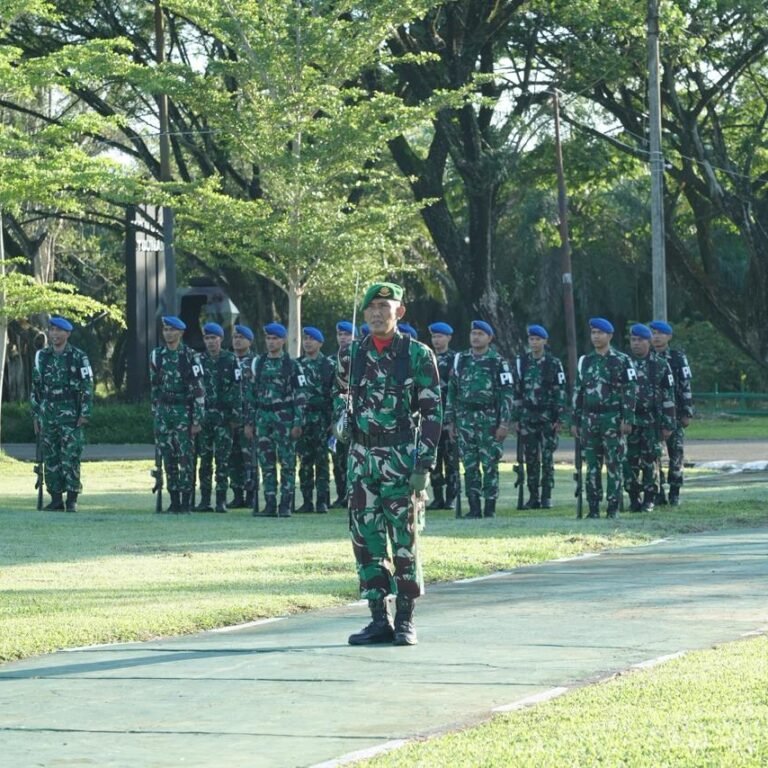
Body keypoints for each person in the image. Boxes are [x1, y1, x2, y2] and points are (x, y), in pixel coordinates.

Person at [334, 282, 441, 646]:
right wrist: (340, 419)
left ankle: (406, 618)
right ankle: (379, 617)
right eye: (372, 308)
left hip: (400, 459)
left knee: (405, 540)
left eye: (385, 307)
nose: (377, 313)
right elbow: (340, 395)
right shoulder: (351, 354)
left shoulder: (417, 354)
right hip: (361, 460)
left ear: (400, 312)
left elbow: (432, 413)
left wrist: (423, 466)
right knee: (366, 540)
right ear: (364, 313)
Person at [445, 320, 514, 519]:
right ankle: (474, 506)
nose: (475, 337)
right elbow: (452, 391)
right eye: (473, 333)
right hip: (465, 419)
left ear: (489, 338)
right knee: (469, 465)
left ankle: (490, 507)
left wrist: (504, 423)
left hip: (489, 419)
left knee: (490, 464)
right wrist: (451, 421)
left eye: (480, 334)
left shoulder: (498, 362)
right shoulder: (461, 359)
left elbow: (506, 394)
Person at [571, 318, 638, 519]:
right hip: (589, 419)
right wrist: (575, 420)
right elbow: (578, 392)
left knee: (614, 464)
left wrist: (628, 418)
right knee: (592, 465)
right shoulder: (585, 361)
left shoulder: (622, 360)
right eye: (593, 333)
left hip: (612, 418)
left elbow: (630, 391)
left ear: (609, 336)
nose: (596, 337)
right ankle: (593, 507)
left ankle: (613, 506)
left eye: (600, 333)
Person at [31, 316, 93, 512]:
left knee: (71, 455)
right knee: (51, 456)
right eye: (52, 330)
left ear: (68, 333)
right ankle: (56, 499)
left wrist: (85, 413)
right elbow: (36, 388)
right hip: (47, 413)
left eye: (59, 331)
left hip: (71, 413)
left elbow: (87, 385)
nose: (55, 334)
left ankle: (72, 499)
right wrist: (35, 415)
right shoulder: (42, 356)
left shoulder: (78, 356)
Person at [244, 322, 304, 517]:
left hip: (284, 419)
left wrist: (298, 422)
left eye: (275, 338)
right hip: (263, 418)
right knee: (266, 463)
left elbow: (300, 396)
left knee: (287, 463)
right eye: (268, 338)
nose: (271, 342)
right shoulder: (258, 363)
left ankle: (285, 504)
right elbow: (251, 395)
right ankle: (270, 503)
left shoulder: (292, 365)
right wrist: (249, 422)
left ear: (283, 340)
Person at [150, 316, 205, 513]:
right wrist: (156, 412)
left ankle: (185, 501)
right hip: (164, 413)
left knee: (185, 458)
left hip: (184, 412)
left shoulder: (190, 356)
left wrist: (197, 419)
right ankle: (173, 499)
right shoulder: (157, 355)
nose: (168, 333)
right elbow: (155, 387)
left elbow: (198, 389)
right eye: (165, 329)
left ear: (180, 333)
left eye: (172, 330)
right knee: (168, 457)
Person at [511, 324, 567, 509]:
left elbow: (560, 391)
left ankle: (547, 495)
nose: (534, 343)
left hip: (547, 417)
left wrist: (559, 418)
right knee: (530, 458)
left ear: (545, 341)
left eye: (537, 339)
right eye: (531, 339)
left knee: (547, 458)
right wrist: (516, 418)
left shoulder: (553, 363)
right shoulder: (522, 362)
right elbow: (517, 392)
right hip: (527, 417)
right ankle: (533, 496)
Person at [625, 324, 676, 513]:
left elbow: (669, 396)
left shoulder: (660, 365)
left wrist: (668, 424)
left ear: (648, 342)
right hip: (629, 421)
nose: (636, 344)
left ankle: (649, 498)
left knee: (650, 460)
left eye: (640, 340)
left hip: (651, 421)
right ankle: (633, 497)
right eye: (633, 340)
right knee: (629, 460)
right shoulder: (623, 363)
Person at [195, 322, 242, 513]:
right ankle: (205, 499)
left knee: (223, 461)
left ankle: (221, 499)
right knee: (204, 460)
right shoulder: (199, 360)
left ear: (220, 339)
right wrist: (196, 416)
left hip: (224, 418)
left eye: (213, 338)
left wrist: (235, 416)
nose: (210, 342)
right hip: (205, 416)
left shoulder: (231, 359)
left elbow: (237, 389)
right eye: (207, 338)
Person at [649, 320, 694, 506]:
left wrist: (687, 412)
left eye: (660, 334)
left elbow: (685, 385)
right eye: (653, 333)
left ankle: (675, 491)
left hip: (674, 413)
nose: (656, 337)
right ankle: (658, 492)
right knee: (653, 455)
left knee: (676, 454)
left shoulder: (677, 357)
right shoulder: (647, 357)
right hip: (652, 415)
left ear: (669, 337)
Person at [296, 326, 335, 513]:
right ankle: (306, 500)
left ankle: (322, 501)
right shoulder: (296, 365)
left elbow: (336, 394)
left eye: (312, 339)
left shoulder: (328, 365)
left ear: (320, 343)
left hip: (322, 419)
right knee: (304, 461)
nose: (307, 342)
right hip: (302, 418)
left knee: (322, 462)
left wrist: (333, 420)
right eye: (305, 339)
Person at [427, 321, 459, 510]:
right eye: (434, 336)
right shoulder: (427, 358)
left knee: (451, 460)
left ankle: (451, 497)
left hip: (449, 418)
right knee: (433, 460)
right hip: (431, 418)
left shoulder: (456, 359)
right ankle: (437, 496)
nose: (436, 340)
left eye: (439, 336)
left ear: (448, 338)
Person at [228, 324, 256, 508]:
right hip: (230, 419)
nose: (237, 340)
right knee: (233, 458)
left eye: (241, 337)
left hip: (248, 418)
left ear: (249, 341)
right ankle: (237, 494)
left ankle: (251, 495)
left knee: (250, 458)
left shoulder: (255, 362)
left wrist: (251, 421)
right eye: (235, 337)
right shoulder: (227, 360)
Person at [330, 321, 355, 508]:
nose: (343, 338)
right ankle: (341, 495)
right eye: (340, 334)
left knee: (353, 459)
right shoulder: (332, 361)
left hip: (356, 417)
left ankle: (354, 495)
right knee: (338, 460)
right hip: (337, 417)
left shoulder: (360, 359)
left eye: (347, 334)